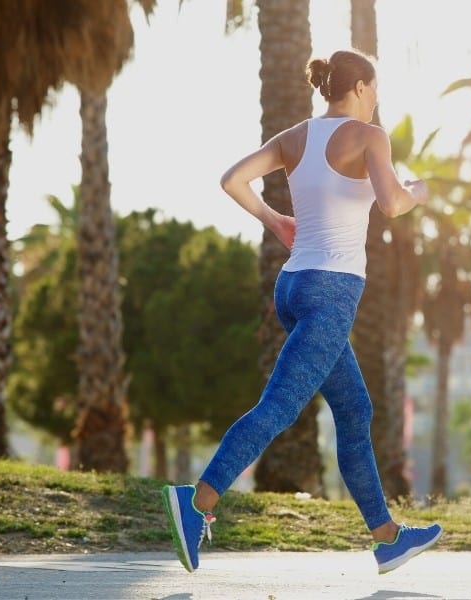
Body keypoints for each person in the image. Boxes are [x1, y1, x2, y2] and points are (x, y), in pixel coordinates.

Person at [161, 49, 442, 575]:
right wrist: (420, 189)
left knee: (355, 412)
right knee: (279, 408)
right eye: (375, 88)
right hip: (332, 293)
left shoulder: (295, 136)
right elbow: (393, 204)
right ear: (359, 87)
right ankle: (196, 502)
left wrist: (273, 219)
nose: (377, 98)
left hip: (292, 287)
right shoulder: (369, 136)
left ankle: (386, 538)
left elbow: (231, 180)